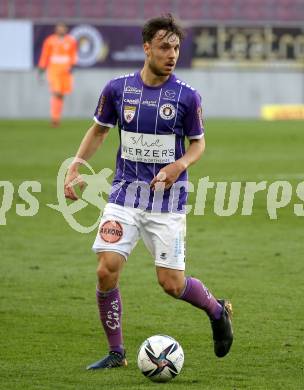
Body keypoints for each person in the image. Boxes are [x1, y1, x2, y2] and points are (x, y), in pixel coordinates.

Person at [64, 14, 233, 370]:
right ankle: (116, 353)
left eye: (175, 47)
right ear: (146, 48)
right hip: (125, 195)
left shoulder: (187, 97)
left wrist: (177, 166)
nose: (171, 54)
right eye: (163, 47)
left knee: (171, 284)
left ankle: (217, 311)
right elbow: (98, 131)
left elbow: (198, 145)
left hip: (167, 203)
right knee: (105, 270)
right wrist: (76, 164)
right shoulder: (117, 89)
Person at [38, 23, 77, 127]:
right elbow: (45, 55)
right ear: (56, 29)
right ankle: (54, 118)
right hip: (54, 70)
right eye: (59, 28)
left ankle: (57, 117)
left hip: (66, 71)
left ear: (66, 29)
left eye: (63, 28)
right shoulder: (50, 40)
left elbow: (73, 54)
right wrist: (42, 68)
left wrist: (72, 65)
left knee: (61, 94)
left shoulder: (71, 41)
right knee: (56, 92)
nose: (61, 30)